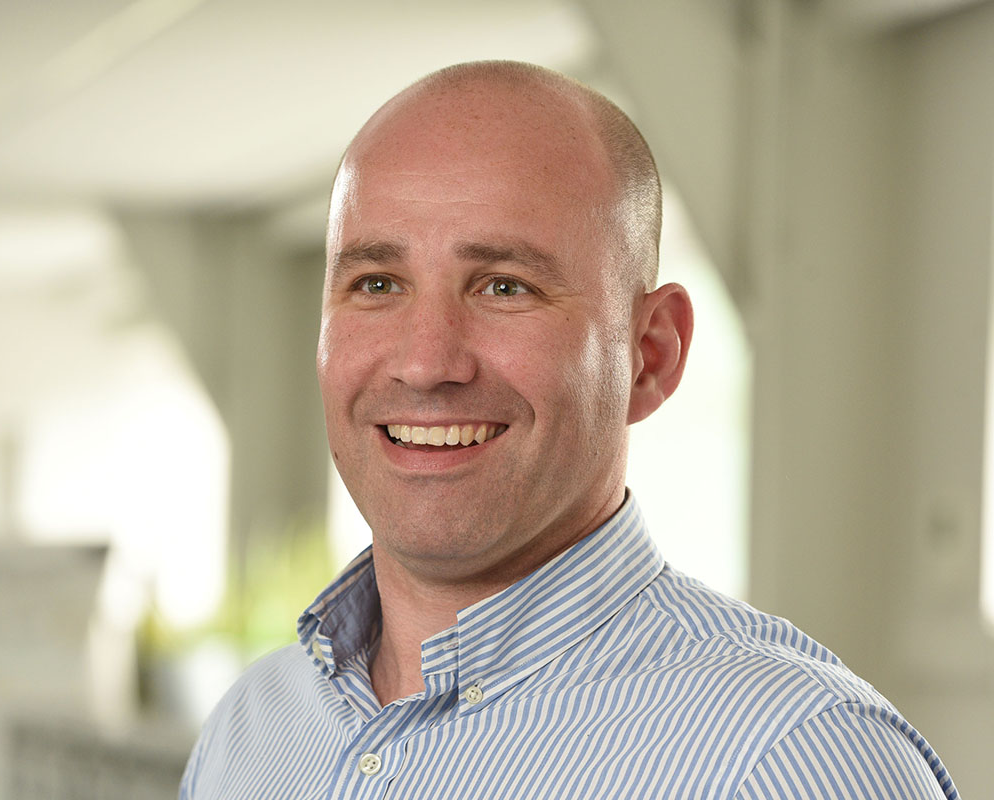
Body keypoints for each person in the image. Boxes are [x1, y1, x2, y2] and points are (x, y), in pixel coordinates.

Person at [180, 61, 959, 799]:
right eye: (376, 283)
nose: (424, 363)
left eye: (504, 286)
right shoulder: (252, 729)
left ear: (649, 355)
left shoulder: (794, 761)